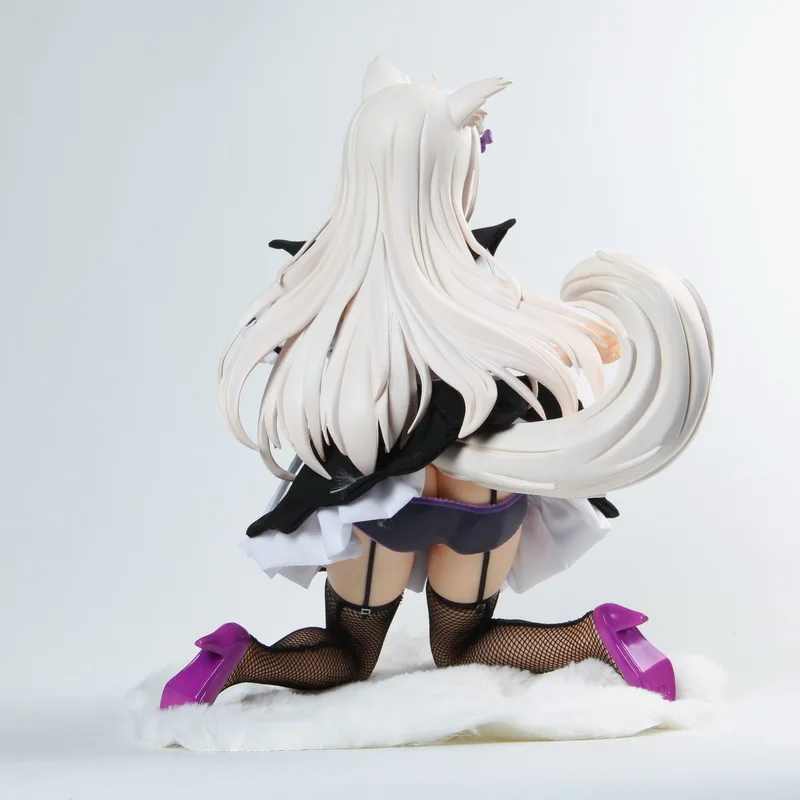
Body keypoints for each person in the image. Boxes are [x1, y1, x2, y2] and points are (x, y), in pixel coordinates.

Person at [160, 58, 713, 711]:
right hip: (483, 488)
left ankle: (239, 658)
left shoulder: (330, 285)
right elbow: (529, 344)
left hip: (379, 494)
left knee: (349, 653)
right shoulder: (474, 284)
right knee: (463, 642)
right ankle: (599, 636)